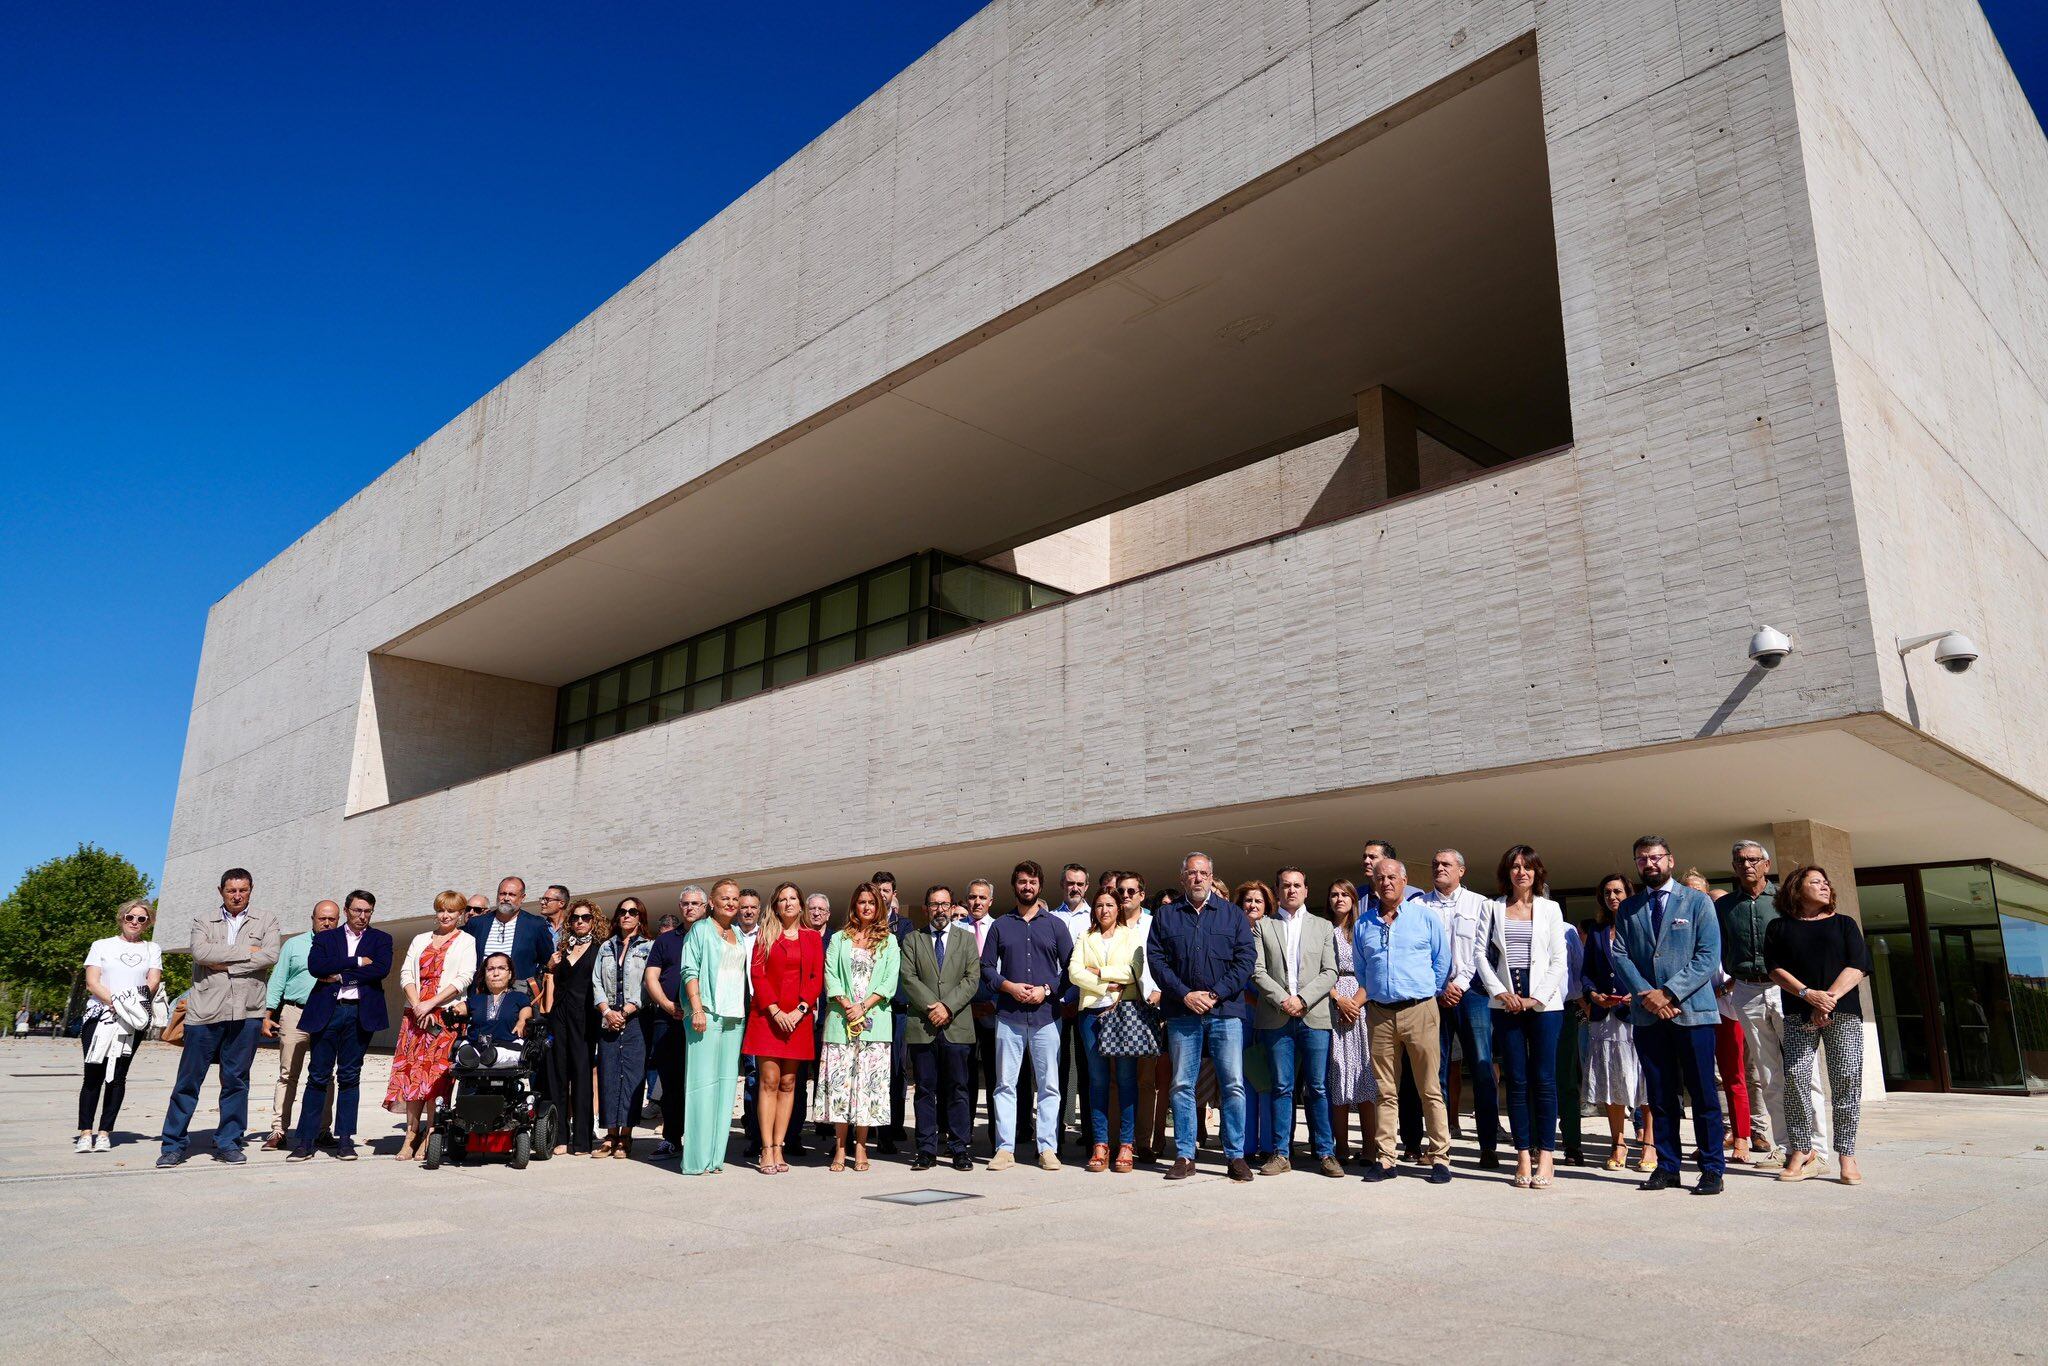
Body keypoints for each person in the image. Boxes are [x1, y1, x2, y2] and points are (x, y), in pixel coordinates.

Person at [1609, 835, 1725, 1195]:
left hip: (1693, 1012)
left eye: (1656, 858)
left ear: (1670, 861)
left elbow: (1707, 956)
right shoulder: (1628, 909)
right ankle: (1668, 1166)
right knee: (1660, 1096)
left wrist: (1669, 993)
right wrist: (1649, 997)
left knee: (1703, 1093)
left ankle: (1711, 1169)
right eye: (1642, 859)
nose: (1649, 864)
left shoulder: (1697, 902)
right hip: (1647, 1016)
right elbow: (1621, 955)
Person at [160, 869, 282, 1167]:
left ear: (251, 890)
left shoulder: (267, 920)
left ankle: (228, 1141)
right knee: (188, 1081)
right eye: (231, 891)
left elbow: (270, 955)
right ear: (221, 891)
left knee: (236, 1081)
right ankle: (173, 1144)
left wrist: (224, 962)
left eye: (243, 890)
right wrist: (246, 954)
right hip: (204, 1012)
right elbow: (200, 953)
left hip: (248, 1013)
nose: (237, 896)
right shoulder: (203, 920)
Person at [1150, 852, 1256, 1183]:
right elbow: (1156, 960)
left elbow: (1245, 960)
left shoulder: (1232, 915)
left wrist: (1213, 994)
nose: (1198, 878)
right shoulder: (1166, 916)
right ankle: (1184, 1154)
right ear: (1183, 878)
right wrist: (1184, 994)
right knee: (1182, 1084)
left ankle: (1235, 1155)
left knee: (1233, 1085)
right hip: (1183, 1013)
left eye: (1204, 873)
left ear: (1212, 877)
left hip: (1225, 1012)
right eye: (1192, 873)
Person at [1766, 865, 1873, 1186]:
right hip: (1799, 1011)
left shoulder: (1844, 924)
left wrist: (1828, 999)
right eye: (1816, 882)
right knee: (1796, 1078)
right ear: (1797, 889)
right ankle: (1802, 1149)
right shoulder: (1779, 927)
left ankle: (1847, 1154)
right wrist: (1808, 995)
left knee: (1846, 1081)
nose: (1825, 886)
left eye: (1826, 882)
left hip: (1844, 1012)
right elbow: (1775, 969)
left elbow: (1859, 965)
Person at [1352, 859, 1453, 1184]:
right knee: (1385, 1091)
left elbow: (1442, 960)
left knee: (1429, 1088)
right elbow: (1362, 969)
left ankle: (1440, 1158)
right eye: (1380, 878)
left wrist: (1428, 992)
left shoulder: (1425, 917)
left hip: (1420, 1009)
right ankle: (1385, 1159)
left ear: (1404, 880)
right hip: (1380, 1014)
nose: (1385, 883)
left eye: (1392, 877)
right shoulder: (1363, 924)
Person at [1474, 846, 1569, 1189]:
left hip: (1543, 1003)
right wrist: (1500, 993)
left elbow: (1560, 960)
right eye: (1514, 867)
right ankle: (1523, 1153)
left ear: (1536, 872)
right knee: (1515, 1081)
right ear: (1507, 872)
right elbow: (1480, 956)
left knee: (1543, 1079)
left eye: (1527, 867)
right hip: (1506, 1001)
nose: (1521, 873)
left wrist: (1535, 998)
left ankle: (1546, 1153)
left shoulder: (1551, 909)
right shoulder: (1492, 907)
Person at [981, 861, 1073, 1171]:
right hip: (1009, 1016)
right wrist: (1008, 986)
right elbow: (987, 969)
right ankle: (1005, 1149)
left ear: (1040, 886)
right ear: (1014, 885)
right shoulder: (1000, 925)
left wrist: (1046, 990)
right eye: (1022, 881)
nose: (1027, 887)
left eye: (1032, 882)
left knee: (1049, 1086)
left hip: (1047, 1017)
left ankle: (1047, 1148)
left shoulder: (1056, 925)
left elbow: (1070, 970)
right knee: (1005, 1085)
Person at [1250, 868, 1342, 1178]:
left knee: (1317, 1087)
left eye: (1297, 885)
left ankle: (1326, 1153)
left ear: (1306, 891)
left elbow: (1330, 971)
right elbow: (1257, 971)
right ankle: (1280, 1153)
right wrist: (1284, 1000)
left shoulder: (1323, 926)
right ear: (1277, 891)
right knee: (1281, 1087)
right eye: (1286, 886)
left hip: (1314, 1016)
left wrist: (1302, 999)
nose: (1291, 890)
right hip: (1277, 1017)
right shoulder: (1263, 926)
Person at [287, 890, 392, 1162]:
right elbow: (316, 967)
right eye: (357, 910)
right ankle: (306, 1141)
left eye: (367, 911)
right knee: (318, 1076)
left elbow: (380, 969)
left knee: (349, 1076)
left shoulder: (381, 939)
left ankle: (345, 1140)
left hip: (359, 1014)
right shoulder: (325, 937)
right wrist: (356, 962)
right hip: (327, 1013)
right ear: (346, 911)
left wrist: (342, 977)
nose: (362, 916)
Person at [1414, 850, 1501, 1168]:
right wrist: (1439, 988)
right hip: (1432, 996)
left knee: (1481, 1067)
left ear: (1461, 870)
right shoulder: (1418, 906)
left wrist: (1459, 985)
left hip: (1473, 993)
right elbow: (1416, 954)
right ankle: (1439, 1147)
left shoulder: (1480, 904)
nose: (1439, 868)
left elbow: (1485, 953)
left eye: (1446, 864)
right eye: (1435, 864)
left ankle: (1488, 1145)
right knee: (1434, 1073)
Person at [1719, 840, 1802, 1166]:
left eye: (1754, 860)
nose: (1747, 865)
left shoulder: (1785, 900)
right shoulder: (1725, 906)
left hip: (1784, 989)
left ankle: (1809, 1145)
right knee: (1767, 1073)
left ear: (1767, 864)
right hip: (1745, 991)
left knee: (1798, 1070)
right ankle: (1782, 1146)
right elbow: (1721, 946)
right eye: (1740, 860)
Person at [384, 890, 476, 1159]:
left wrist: (431, 1003)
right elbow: (405, 974)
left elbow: (464, 978)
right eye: (441, 910)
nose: (445, 916)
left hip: (444, 1018)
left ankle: (433, 1132)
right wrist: (417, 1005)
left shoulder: (466, 941)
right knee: (412, 1076)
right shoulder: (420, 939)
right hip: (415, 1017)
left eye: (452, 911)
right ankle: (411, 1133)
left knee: (436, 1078)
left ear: (460, 915)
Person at [745, 883, 825, 1173]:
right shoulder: (765, 935)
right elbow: (758, 975)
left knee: (790, 1083)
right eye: (783, 899)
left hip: (798, 1019)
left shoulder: (812, 938)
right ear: (775, 905)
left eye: (793, 898)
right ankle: (765, 1148)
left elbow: (816, 977)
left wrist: (801, 1009)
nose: (788, 903)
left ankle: (780, 1147)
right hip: (768, 1017)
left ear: (801, 904)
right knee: (768, 1081)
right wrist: (776, 1010)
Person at [821, 882, 901, 1172]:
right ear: (854, 905)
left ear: (878, 906)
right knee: (841, 1087)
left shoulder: (889, 941)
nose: (866, 907)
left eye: (871, 902)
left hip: (874, 1022)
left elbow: (889, 981)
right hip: (841, 1021)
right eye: (861, 902)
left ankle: (861, 1145)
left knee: (867, 1088)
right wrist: (847, 1005)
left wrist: (863, 1006)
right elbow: (830, 974)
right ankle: (840, 1147)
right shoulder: (839, 938)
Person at [902, 884, 979, 1172]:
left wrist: (947, 1007)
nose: (940, 910)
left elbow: (972, 978)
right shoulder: (913, 940)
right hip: (923, 1025)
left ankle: (959, 1148)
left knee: (958, 1088)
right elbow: (908, 977)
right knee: (924, 1089)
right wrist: (932, 1007)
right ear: (926, 909)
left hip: (957, 1025)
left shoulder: (966, 939)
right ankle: (925, 1149)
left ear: (951, 907)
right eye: (934, 904)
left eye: (945, 904)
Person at [76, 900, 163, 1152]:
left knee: (117, 1076)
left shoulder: (152, 948)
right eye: (130, 917)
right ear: (121, 918)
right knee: (93, 1073)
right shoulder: (102, 945)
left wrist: (128, 1006)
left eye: (141, 919)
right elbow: (92, 982)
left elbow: (152, 982)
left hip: (131, 1020)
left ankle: (104, 1132)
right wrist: (114, 1001)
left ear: (148, 923)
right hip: (99, 1015)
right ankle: (85, 1131)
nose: (135, 922)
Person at [1070, 887, 1145, 1173]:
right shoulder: (1085, 937)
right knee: (1097, 1081)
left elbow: (1134, 970)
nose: (1105, 910)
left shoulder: (1131, 935)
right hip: (1090, 1014)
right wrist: (1105, 985)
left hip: (1122, 1012)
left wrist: (1100, 972)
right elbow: (1074, 972)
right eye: (1100, 905)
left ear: (1118, 909)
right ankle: (1100, 1144)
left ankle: (1126, 1144)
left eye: (1110, 905)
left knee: (1126, 1080)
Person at [1582, 875, 1652, 1170]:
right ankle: (1618, 1143)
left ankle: (1649, 1144)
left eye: (1618, 891)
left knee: (1645, 1079)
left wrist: (1636, 994)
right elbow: (1586, 972)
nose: (1612, 897)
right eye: (1607, 892)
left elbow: (1653, 966)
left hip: (1638, 1013)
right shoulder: (1597, 932)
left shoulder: (1643, 926)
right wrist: (1592, 994)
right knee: (1612, 1080)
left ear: (1629, 894)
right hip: (1605, 1018)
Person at [680, 881, 748, 1174]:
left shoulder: (739, 934)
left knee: (724, 1089)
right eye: (725, 898)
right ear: (712, 901)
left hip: (735, 1018)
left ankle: (715, 1158)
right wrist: (697, 1008)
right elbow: (689, 970)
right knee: (701, 1088)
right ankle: (696, 1159)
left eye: (735, 898)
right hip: (706, 1014)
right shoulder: (700, 930)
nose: (731, 903)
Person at [262, 900, 339, 1150]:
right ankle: (278, 1130)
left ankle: (322, 1130)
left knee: (326, 1075)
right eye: (322, 918)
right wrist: (268, 1013)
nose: (327, 923)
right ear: (312, 918)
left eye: (332, 919)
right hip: (296, 1013)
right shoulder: (294, 945)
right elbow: (278, 980)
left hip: (329, 1015)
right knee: (288, 1074)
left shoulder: (343, 945)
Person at [643, 886, 706, 1159]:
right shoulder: (666, 941)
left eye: (695, 903)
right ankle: (671, 1138)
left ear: (705, 907)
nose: (690, 908)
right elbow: (651, 977)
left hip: (704, 1020)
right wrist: (667, 1005)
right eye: (686, 903)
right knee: (671, 1083)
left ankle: (699, 1139)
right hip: (669, 1020)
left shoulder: (713, 937)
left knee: (701, 1082)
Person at [592, 897, 652, 1159]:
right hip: (608, 1017)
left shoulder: (649, 947)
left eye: (633, 912)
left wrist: (627, 1010)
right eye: (622, 911)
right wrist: (606, 1010)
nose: (627, 916)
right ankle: (610, 1134)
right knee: (608, 1074)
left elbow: (648, 984)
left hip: (636, 1017)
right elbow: (596, 982)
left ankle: (625, 1136)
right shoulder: (606, 947)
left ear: (640, 917)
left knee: (632, 1075)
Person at [1324, 880, 1376, 1163]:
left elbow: (1372, 969)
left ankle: (1370, 1147)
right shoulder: (1323, 931)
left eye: (1345, 894)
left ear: (1354, 899)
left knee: (1364, 1076)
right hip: (1332, 1004)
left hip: (1362, 1004)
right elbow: (1318, 972)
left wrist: (1355, 1002)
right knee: (1338, 1074)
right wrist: (1338, 999)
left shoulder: (1364, 929)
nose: (1339, 899)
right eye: (1334, 894)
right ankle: (1340, 1146)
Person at [547, 899, 602, 1156]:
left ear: (594, 921)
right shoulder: (562, 948)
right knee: (558, 1076)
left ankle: (581, 1140)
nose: (580, 921)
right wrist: (551, 967)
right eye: (575, 918)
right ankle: (559, 1137)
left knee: (581, 1076)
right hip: (559, 1016)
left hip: (585, 1017)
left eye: (586, 917)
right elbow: (554, 984)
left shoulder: (600, 949)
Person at [1050, 862, 1095, 1157]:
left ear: (1086, 886)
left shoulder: (1096, 917)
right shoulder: (1050, 918)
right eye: (1070, 883)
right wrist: (1061, 998)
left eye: (1079, 883)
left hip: (1086, 1003)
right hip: (1054, 1004)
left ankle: (1092, 1134)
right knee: (1055, 1071)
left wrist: (1074, 996)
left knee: (1090, 1071)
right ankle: (1053, 1135)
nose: (1074, 888)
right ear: (1062, 885)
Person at [787, 890, 833, 1154]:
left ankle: (825, 1125)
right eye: (812, 909)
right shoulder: (799, 937)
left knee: (824, 1076)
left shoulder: (836, 939)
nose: (816, 913)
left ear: (828, 914)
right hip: (803, 1017)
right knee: (800, 1078)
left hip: (830, 1018)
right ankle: (794, 1134)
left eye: (820, 909)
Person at [960, 879, 1001, 1151]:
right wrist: (964, 1005)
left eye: (982, 897)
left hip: (994, 1013)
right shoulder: (955, 929)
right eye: (973, 897)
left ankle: (999, 1137)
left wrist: (995, 1004)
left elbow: (1007, 968)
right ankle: (962, 1134)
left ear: (990, 901)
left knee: (997, 1077)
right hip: (963, 1012)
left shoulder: (1000, 928)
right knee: (964, 1077)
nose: (977, 902)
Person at [466, 878, 553, 1000]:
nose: (506, 898)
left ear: (522, 898)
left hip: (518, 998)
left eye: (512, 894)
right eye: (502, 893)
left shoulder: (535, 925)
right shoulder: (477, 924)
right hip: (481, 996)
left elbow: (547, 960)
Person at [451, 952, 532, 1053]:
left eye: (501, 968)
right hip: (476, 1045)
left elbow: (526, 1008)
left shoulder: (518, 996)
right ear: (485, 974)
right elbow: (464, 1006)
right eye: (490, 969)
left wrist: (522, 1020)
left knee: (498, 1055)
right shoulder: (477, 999)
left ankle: (486, 1056)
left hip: (508, 1046)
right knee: (464, 1051)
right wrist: (455, 1010)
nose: (496, 973)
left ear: (510, 974)